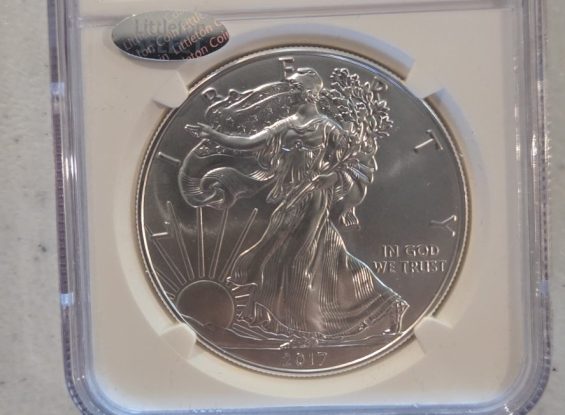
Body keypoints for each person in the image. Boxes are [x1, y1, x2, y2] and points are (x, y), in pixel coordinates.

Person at [182, 67, 408, 342]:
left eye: (294, 88)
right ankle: (389, 303)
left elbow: (355, 161)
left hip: (314, 197)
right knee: (326, 256)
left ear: (309, 93)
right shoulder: (286, 124)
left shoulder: (328, 127)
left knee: (298, 259)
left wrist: (331, 177)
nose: (289, 92)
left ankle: (308, 330)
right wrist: (214, 135)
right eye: (290, 87)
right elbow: (248, 143)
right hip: (292, 195)